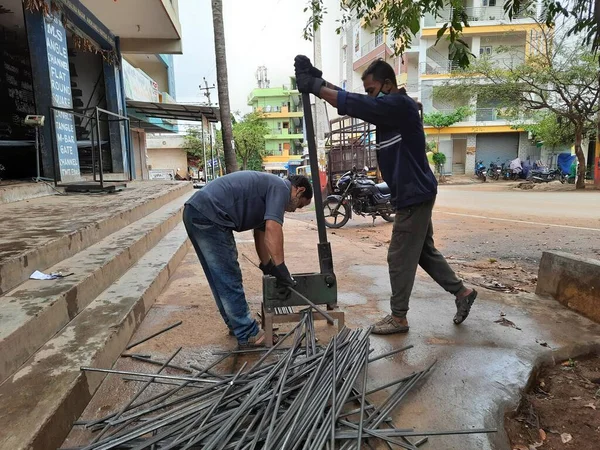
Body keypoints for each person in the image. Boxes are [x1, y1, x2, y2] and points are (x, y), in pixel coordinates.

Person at [294, 55, 477, 334]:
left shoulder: (398, 106)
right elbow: (357, 99)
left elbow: (357, 104)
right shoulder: (392, 109)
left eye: (372, 89)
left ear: (388, 85)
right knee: (423, 252)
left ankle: (398, 317)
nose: (370, 96)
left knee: (398, 257)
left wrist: (317, 87)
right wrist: (320, 82)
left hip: (414, 194)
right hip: (414, 192)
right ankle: (462, 293)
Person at [183, 171, 313, 347]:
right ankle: (247, 332)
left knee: (219, 278)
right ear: (299, 190)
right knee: (229, 276)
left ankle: (236, 324)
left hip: (196, 211)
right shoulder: (281, 188)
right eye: (299, 205)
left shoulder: (269, 191)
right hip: (210, 215)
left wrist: (267, 265)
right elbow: (273, 228)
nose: (294, 209)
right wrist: (282, 270)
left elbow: (261, 234)